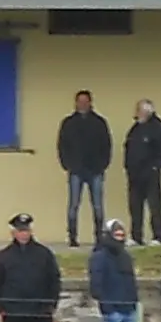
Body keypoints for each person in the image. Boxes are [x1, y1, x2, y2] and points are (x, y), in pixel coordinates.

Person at [56, 89, 112, 246]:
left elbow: (107, 145)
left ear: (90, 102)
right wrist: (67, 164)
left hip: (95, 170)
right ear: (75, 103)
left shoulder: (99, 122)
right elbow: (62, 145)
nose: (82, 104)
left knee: (98, 206)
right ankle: (72, 237)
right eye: (79, 101)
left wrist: (103, 165)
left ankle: (99, 238)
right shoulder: (68, 123)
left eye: (85, 101)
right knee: (73, 205)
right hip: (76, 169)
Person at [122, 98, 161, 246]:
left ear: (146, 111)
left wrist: (155, 166)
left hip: (150, 174)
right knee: (135, 206)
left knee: (154, 206)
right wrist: (127, 167)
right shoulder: (136, 128)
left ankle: (158, 237)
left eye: (139, 110)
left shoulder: (159, 128)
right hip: (134, 174)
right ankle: (136, 236)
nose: (136, 113)